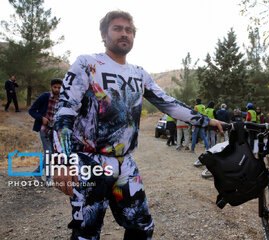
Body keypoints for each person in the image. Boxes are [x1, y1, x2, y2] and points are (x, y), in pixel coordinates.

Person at [52, 10, 223, 240]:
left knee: (142, 226)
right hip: (89, 161)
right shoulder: (87, 64)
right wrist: (61, 160)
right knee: (86, 231)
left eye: (129, 30)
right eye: (117, 28)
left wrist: (208, 121)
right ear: (103, 34)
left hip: (125, 163)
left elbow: (169, 104)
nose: (124, 34)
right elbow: (64, 110)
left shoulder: (139, 74)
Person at [29, 78, 62, 185]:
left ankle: (38, 171)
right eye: (55, 87)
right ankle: (48, 179)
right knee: (48, 153)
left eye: (59, 87)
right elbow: (32, 110)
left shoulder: (63, 99)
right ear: (51, 87)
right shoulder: (45, 97)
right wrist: (41, 118)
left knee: (52, 154)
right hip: (44, 130)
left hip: (56, 132)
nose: (57, 89)